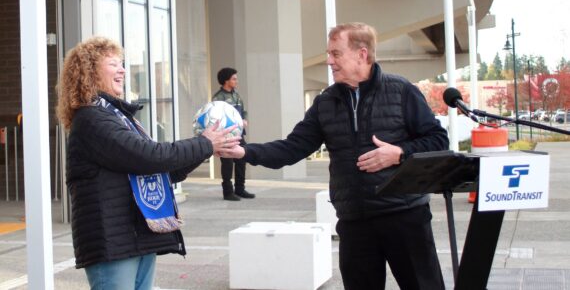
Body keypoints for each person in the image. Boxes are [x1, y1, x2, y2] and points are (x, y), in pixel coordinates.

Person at [227, 22, 449, 289]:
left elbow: (438, 140)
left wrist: (399, 153)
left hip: (405, 217)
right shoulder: (325, 102)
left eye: (335, 53)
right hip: (355, 223)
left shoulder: (401, 90)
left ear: (362, 54)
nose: (329, 61)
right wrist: (244, 151)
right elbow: (292, 147)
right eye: (328, 54)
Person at [56, 37, 240, 290]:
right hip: (112, 240)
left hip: (135, 235)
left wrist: (207, 149)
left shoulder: (116, 117)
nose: (122, 70)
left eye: (122, 64)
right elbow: (147, 155)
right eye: (113, 64)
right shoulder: (92, 118)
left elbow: (161, 169)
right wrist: (204, 144)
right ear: (89, 72)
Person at [212, 67, 255, 201]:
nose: (236, 81)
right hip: (225, 136)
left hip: (238, 134)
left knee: (242, 159)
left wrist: (244, 119)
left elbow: (243, 110)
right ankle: (228, 192)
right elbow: (215, 116)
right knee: (227, 163)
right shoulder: (218, 98)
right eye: (234, 79)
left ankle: (240, 189)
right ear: (226, 80)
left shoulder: (236, 95)